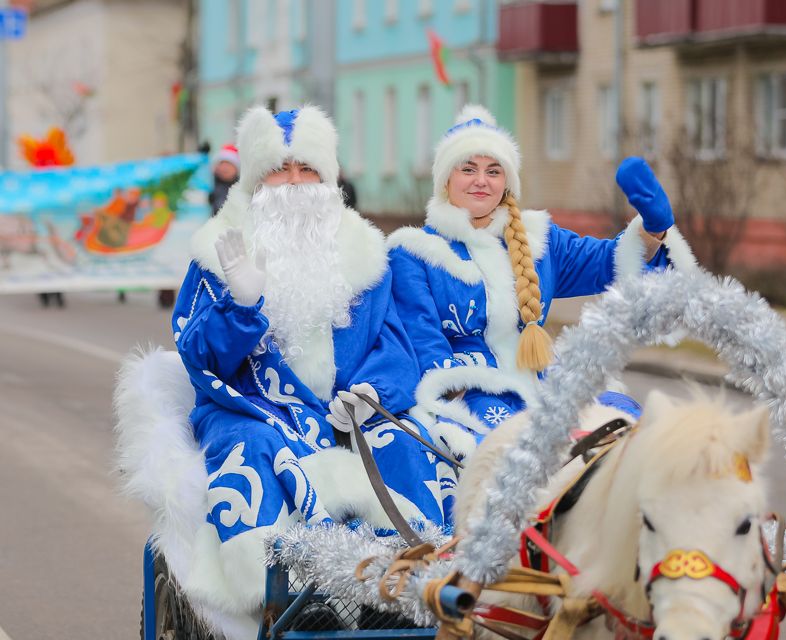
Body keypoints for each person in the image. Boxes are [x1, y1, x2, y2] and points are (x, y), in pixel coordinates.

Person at [170, 106, 455, 618]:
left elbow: (394, 348)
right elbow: (199, 357)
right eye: (280, 170)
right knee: (255, 449)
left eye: (308, 170)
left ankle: (414, 583)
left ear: (329, 177)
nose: (295, 184)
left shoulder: (366, 253)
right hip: (250, 410)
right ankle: (283, 597)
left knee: (405, 442)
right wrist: (239, 307)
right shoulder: (219, 250)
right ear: (256, 181)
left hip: (344, 413)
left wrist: (372, 394)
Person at [387, 105, 697, 458]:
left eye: (493, 171)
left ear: (506, 182)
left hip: (544, 379)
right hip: (467, 394)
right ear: (445, 179)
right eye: (467, 169)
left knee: (624, 427)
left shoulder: (540, 240)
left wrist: (653, 227)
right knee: (530, 454)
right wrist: (468, 397)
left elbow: (608, 263)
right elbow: (425, 346)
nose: (481, 181)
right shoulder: (413, 253)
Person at [208, 143, 240, 216]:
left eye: (229, 163)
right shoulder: (212, 184)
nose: (224, 167)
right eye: (222, 163)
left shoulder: (241, 188)